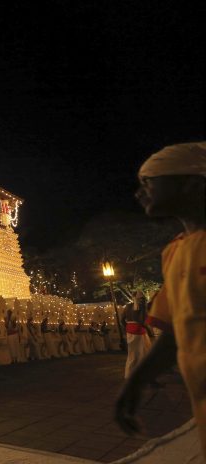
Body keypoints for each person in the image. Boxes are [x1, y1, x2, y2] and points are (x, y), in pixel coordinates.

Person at [115, 142, 206, 457]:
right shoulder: (175, 252)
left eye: (150, 182)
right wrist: (135, 383)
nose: (140, 193)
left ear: (193, 183)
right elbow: (174, 333)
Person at [121, 292, 153, 378]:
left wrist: (127, 327)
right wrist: (149, 329)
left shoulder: (127, 306)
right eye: (142, 298)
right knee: (143, 354)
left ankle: (129, 374)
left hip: (130, 331)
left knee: (132, 355)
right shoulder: (142, 307)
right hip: (139, 332)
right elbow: (142, 321)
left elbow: (122, 320)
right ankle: (145, 375)